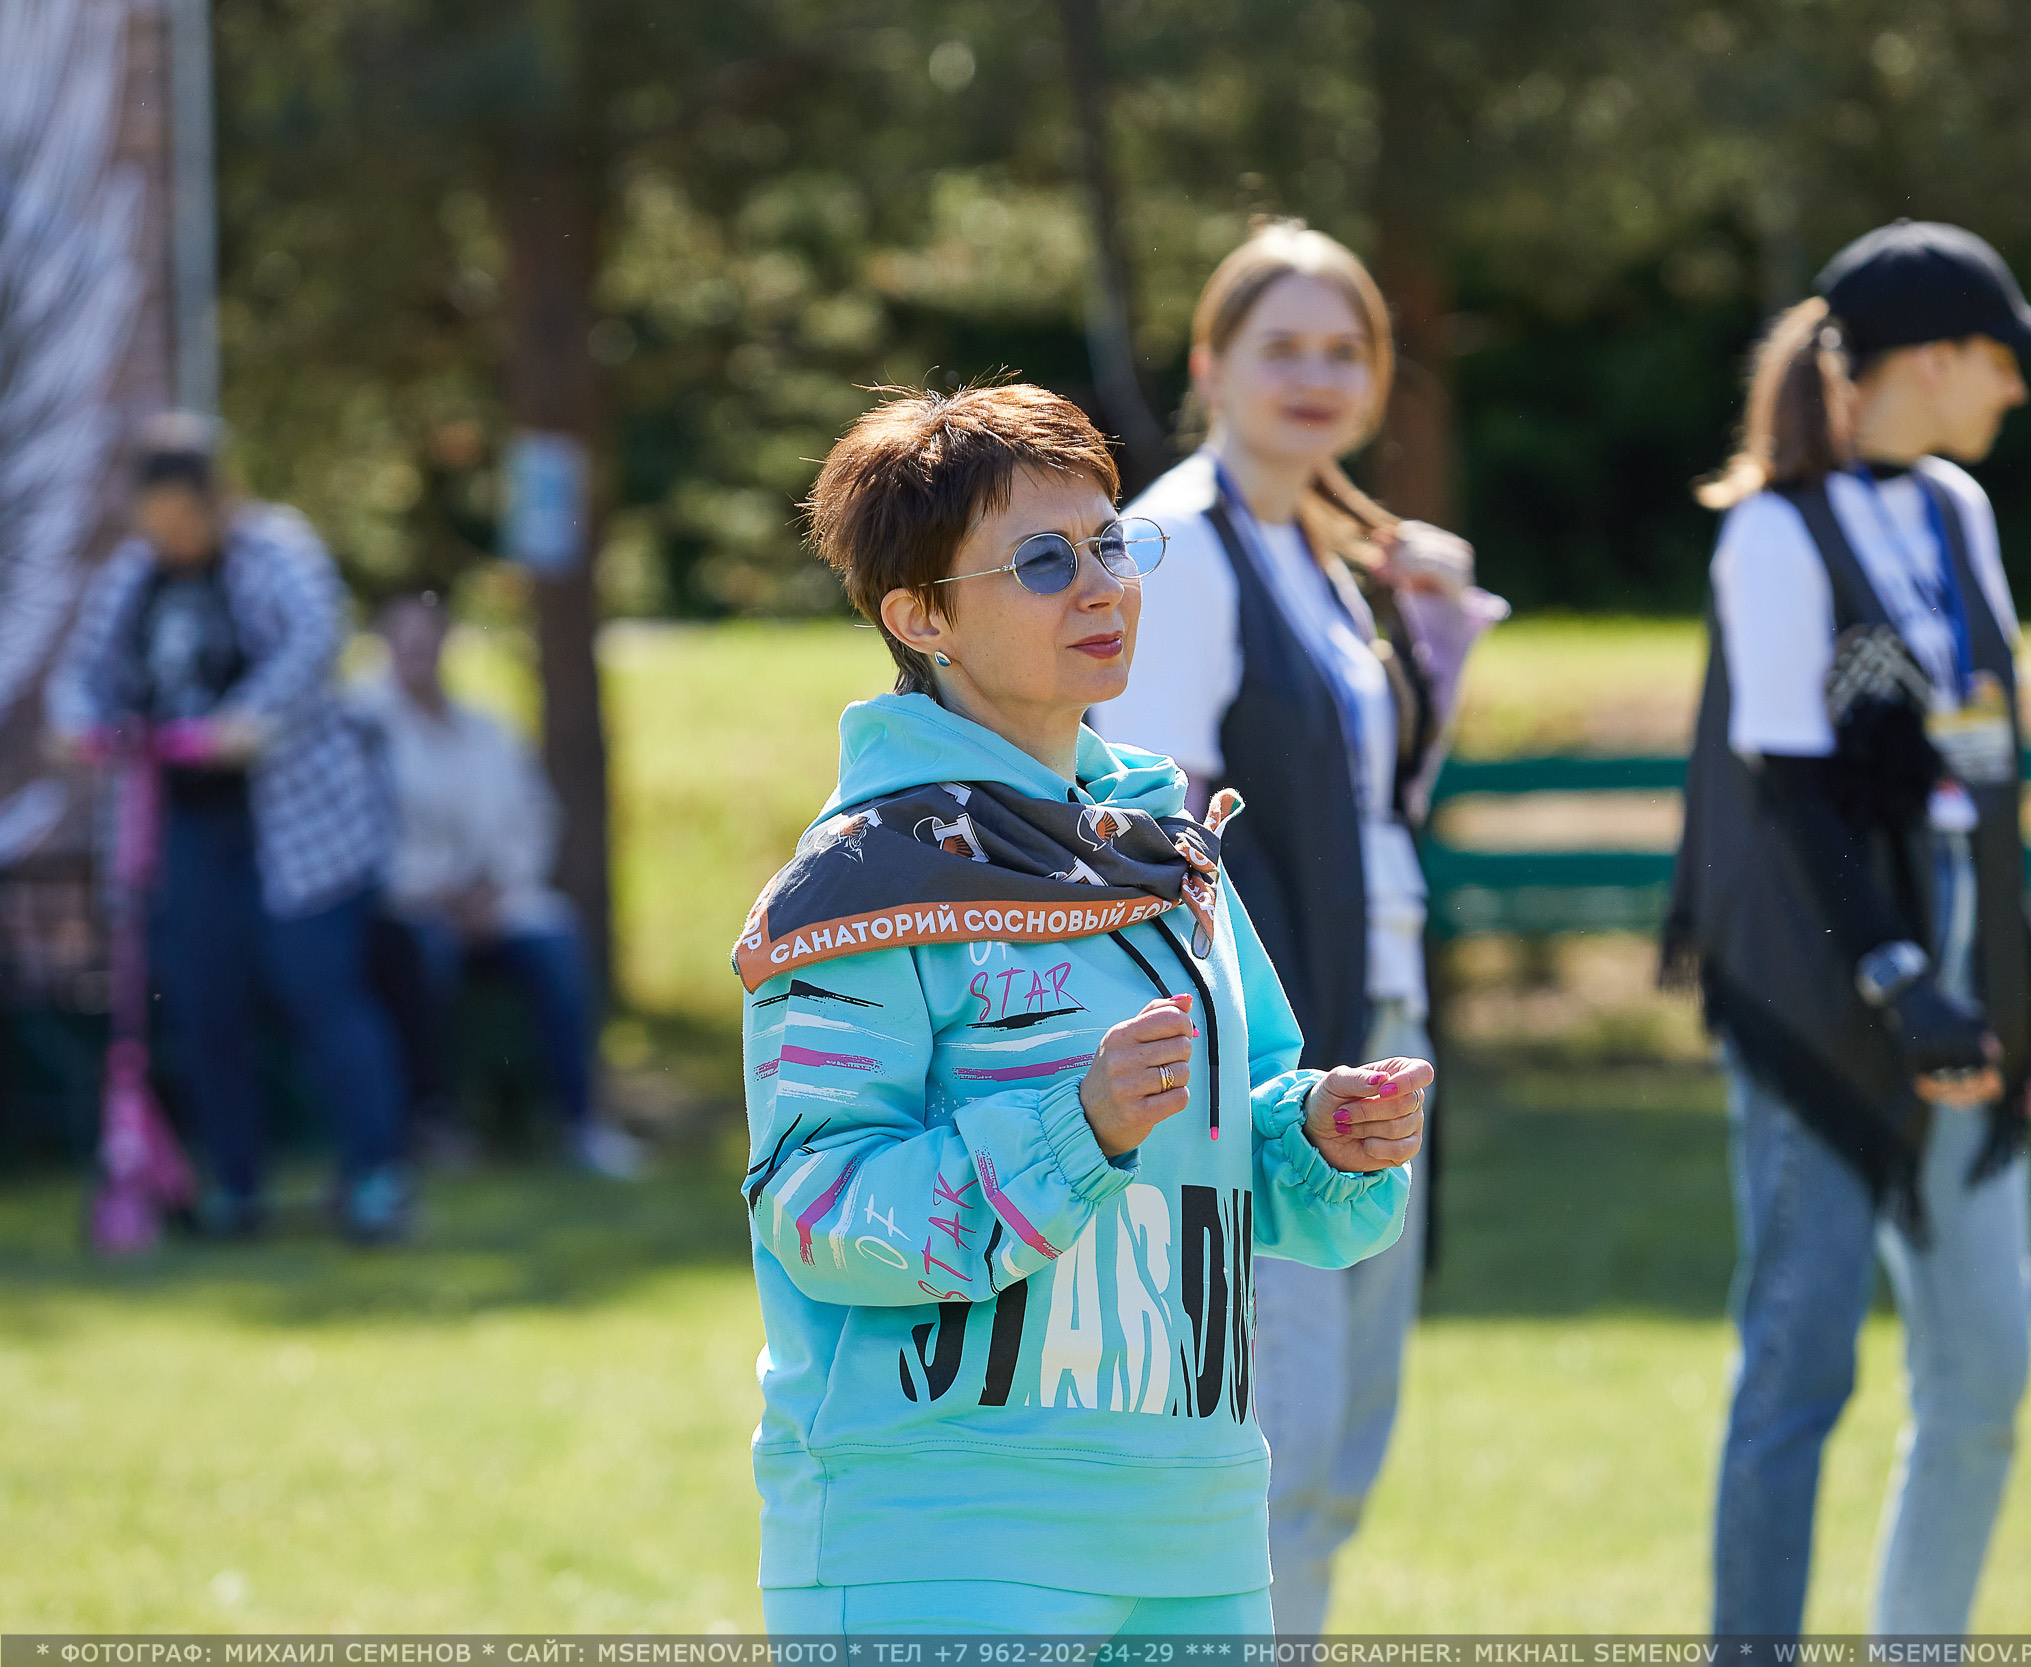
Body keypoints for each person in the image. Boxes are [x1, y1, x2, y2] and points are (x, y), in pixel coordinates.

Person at [736, 382, 1429, 1638]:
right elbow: (816, 1209)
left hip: (1198, 1533)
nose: (1103, 586)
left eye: (1110, 542)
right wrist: (1077, 1128)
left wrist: (1320, 1132)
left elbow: (1237, 1130)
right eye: (1044, 562)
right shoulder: (861, 883)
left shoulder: (1163, 857)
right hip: (938, 1536)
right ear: (921, 616)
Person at [1662, 222, 2031, 1636]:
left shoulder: (1959, 508)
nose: (2015, 386)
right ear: (1931, 360)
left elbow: (1976, 764)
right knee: (1801, 1369)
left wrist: (2025, 971)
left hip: (1962, 959)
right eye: (2000, 357)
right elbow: (1790, 789)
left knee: (1985, 1370)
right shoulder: (1774, 530)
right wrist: (1900, 978)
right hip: (1823, 981)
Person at [1089, 220, 1505, 1634]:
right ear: (1210, 365)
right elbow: (1152, 829)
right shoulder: (1179, 546)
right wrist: (1240, 1064)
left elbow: (1367, 806)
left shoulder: (1320, 557)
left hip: (1374, 1005)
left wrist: (1431, 637)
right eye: (1283, 348)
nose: (1316, 377)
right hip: (1270, 1049)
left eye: (1344, 350)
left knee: (1337, 1448)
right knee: (1276, 1440)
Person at [46, 414, 411, 1242]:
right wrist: (78, 722)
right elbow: (85, 673)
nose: (171, 536)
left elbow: (315, 638)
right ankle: (236, 1187)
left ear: (217, 500)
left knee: (322, 997)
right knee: (205, 1008)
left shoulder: (275, 551)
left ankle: (375, 1175)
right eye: (156, 521)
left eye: (185, 517)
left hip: (295, 831)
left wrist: (246, 720)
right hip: (185, 829)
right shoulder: (134, 576)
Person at [358, 590, 637, 1178]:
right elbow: (366, 840)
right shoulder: (366, 731)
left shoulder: (485, 731)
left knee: (557, 940)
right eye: (405, 642)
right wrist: (438, 893)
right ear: (385, 645)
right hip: (411, 906)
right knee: (424, 953)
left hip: (496, 901)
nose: (417, 653)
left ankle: (580, 1119)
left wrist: (498, 886)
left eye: (428, 640)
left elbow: (532, 818)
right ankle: (433, 1117)